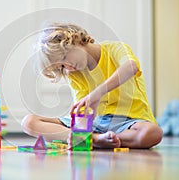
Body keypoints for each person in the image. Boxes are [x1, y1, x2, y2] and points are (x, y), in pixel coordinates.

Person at [21, 23, 163, 149]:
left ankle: (100, 139)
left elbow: (131, 67)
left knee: (152, 133)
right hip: (94, 124)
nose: (68, 67)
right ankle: (94, 140)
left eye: (64, 58)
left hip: (127, 121)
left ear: (75, 40)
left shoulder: (115, 48)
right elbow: (82, 112)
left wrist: (96, 94)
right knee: (29, 122)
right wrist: (83, 131)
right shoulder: (74, 73)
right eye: (62, 66)